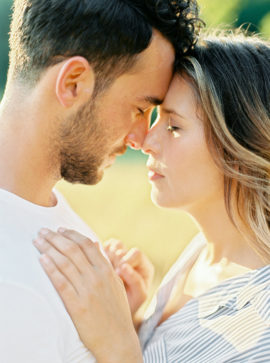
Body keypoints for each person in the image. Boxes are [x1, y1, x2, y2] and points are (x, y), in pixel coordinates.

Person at [34, 31, 270, 362]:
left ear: (237, 147)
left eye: (174, 127)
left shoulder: (262, 326)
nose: (145, 141)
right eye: (156, 118)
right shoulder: (203, 254)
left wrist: (117, 343)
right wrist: (133, 320)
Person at [0, 0, 201, 361]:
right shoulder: (9, 281)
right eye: (140, 109)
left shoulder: (45, 214)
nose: (141, 139)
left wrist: (125, 322)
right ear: (73, 83)